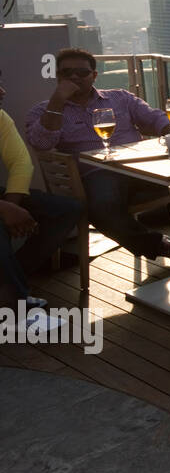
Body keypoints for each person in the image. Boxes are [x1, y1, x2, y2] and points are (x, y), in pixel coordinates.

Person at [25, 48, 170, 263]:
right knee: (102, 207)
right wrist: (57, 101)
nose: (74, 77)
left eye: (82, 73)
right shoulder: (43, 111)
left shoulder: (120, 98)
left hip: (140, 167)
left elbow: (154, 118)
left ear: (94, 76)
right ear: (57, 76)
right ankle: (165, 247)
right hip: (95, 174)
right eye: (67, 73)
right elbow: (41, 144)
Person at [0, 73, 83, 310]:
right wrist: (5, 209)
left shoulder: (0, 118)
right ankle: (16, 299)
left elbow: (21, 162)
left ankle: (11, 277)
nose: (3, 91)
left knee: (68, 209)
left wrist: (12, 206)